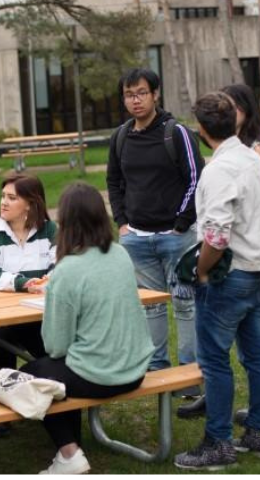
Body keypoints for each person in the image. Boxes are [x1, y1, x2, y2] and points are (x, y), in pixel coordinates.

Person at [22, 182, 154, 475]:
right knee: (51, 371)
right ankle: (71, 448)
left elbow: (56, 347)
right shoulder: (120, 254)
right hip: (135, 368)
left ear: (65, 222)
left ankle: (69, 453)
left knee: (26, 377)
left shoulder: (67, 271)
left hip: (101, 374)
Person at [174, 92, 260, 470]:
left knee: (213, 360)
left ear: (202, 129)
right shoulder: (251, 159)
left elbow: (217, 235)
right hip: (256, 269)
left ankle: (218, 441)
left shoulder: (220, 169)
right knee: (256, 357)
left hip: (232, 273)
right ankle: (256, 429)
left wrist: (203, 270)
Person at [106, 68, 204, 389]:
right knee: (151, 308)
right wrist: (122, 223)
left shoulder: (176, 133)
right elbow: (114, 181)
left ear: (156, 94)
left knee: (185, 306)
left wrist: (181, 224)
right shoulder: (121, 136)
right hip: (136, 239)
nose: (135, 100)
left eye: (141, 93)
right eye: (129, 94)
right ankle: (159, 375)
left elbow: (196, 179)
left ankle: (190, 379)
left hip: (177, 238)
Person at [0, 174, 56, 437]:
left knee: (48, 346)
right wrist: (22, 283)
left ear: (30, 203)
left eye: (12, 198)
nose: (3, 203)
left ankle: (49, 399)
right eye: (3, 197)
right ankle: (2, 410)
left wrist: (49, 278)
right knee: (2, 341)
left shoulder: (51, 231)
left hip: (36, 314)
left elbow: (61, 266)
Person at [222, 83, 260, 152]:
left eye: (233, 106)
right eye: (224, 106)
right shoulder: (223, 141)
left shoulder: (256, 148)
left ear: (247, 107)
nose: (228, 111)